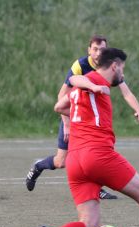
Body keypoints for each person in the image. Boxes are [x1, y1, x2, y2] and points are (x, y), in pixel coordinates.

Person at [29, 48, 139, 227]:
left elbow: (59, 106)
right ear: (114, 65)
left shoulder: (87, 87)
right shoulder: (95, 81)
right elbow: (75, 80)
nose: (122, 74)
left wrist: (82, 111)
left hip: (75, 161)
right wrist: (93, 87)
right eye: (122, 69)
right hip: (98, 155)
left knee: (90, 226)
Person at [25, 35, 117, 199]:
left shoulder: (108, 67)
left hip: (90, 122)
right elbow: (62, 97)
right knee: (61, 162)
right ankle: (38, 166)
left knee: (93, 154)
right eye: (95, 49)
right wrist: (67, 124)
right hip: (73, 118)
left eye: (102, 50)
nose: (98, 53)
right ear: (89, 50)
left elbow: (123, 87)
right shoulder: (80, 66)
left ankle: (96, 188)